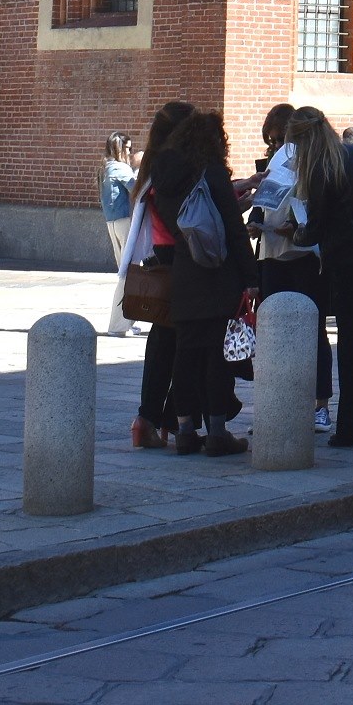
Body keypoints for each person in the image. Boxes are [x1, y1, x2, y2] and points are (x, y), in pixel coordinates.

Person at [138, 109, 254, 455]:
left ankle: (185, 431)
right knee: (216, 357)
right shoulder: (213, 174)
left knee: (185, 355)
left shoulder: (166, 177)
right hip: (218, 275)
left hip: (184, 274)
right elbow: (234, 230)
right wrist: (251, 278)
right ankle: (217, 433)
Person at [290, 106, 353, 447]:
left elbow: (316, 226)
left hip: (347, 262)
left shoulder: (323, 166)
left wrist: (293, 232)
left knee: (351, 344)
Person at [248, 104, 335, 427]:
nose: (273, 146)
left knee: (313, 331)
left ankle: (320, 405)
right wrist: (256, 221)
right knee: (273, 331)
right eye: (270, 141)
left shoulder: (317, 160)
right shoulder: (277, 157)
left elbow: (320, 206)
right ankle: (277, 405)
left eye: (278, 138)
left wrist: (298, 226)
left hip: (304, 255)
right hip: (272, 254)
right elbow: (263, 199)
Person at [128, 101, 196, 449]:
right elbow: (185, 213)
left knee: (164, 339)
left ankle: (151, 419)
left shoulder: (154, 165)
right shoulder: (173, 167)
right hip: (177, 256)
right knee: (176, 341)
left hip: (161, 254)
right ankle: (158, 417)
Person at [100, 133, 141, 338]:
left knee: (128, 271)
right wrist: (141, 168)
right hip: (124, 221)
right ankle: (118, 325)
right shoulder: (119, 168)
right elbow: (137, 189)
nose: (130, 152)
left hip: (113, 222)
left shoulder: (106, 167)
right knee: (128, 274)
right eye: (128, 149)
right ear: (119, 148)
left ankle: (127, 319)